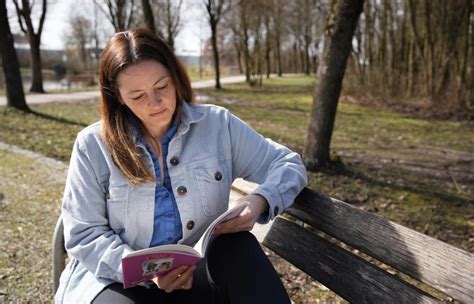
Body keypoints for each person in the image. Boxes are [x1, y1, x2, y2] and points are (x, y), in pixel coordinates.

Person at [55, 28, 307, 304]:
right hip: (117, 279)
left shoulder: (218, 125)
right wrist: (148, 272)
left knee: (239, 248)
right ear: (118, 97)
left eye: (162, 86)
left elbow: (287, 163)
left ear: (175, 78)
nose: (155, 103)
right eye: (138, 96)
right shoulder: (92, 146)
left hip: (197, 275)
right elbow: (84, 233)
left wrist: (260, 200)